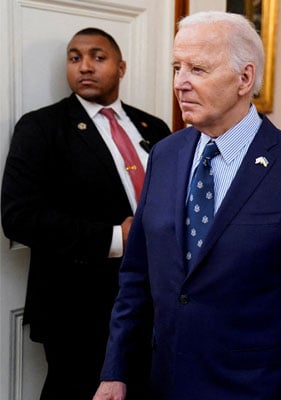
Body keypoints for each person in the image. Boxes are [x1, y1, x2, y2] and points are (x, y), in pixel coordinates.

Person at [93, 11, 281, 400]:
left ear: (244, 78)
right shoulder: (165, 154)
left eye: (197, 69)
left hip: (250, 388)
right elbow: (137, 276)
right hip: (162, 383)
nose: (180, 83)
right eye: (177, 67)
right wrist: (116, 371)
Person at [0, 28, 170, 399]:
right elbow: (18, 215)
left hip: (152, 297)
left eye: (98, 56)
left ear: (121, 67)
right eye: (75, 58)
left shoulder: (153, 127)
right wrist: (114, 237)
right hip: (75, 307)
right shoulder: (41, 128)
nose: (85, 67)